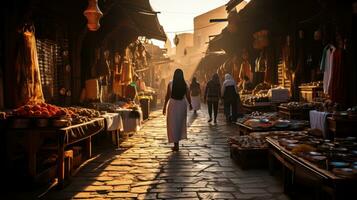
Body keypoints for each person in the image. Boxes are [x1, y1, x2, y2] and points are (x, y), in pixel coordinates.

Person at [163, 69, 192, 151]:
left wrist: (164, 107)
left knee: (173, 124)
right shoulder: (185, 84)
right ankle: (177, 143)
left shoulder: (170, 83)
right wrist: (190, 104)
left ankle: (176, 144)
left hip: (172, 104)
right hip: (182, 104)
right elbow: (188, 96)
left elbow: (167, 96)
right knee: (180, 124)